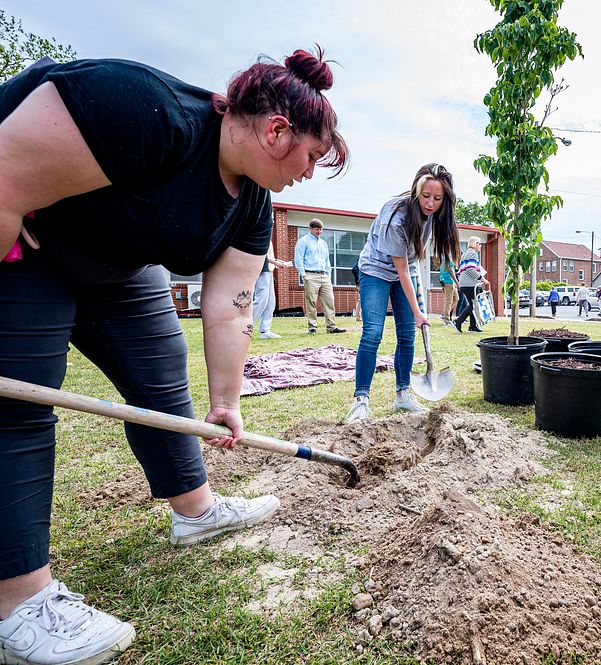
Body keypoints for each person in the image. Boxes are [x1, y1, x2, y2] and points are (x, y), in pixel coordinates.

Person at [0, 48, 348, 665]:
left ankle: (196, 510)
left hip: (117, 266)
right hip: (21, 232)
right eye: (312, 158)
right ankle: (18, 601)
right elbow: (6, 171)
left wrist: (227, 402)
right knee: (19, 402)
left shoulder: (253, 201)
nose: (308, 173)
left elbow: (231, 306)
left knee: (162, 383)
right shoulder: (146, 110)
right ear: (276, 131)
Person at [347, 164, 460, 422]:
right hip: (375, 271)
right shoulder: (396, 215)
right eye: (426, 196)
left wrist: (416, 312)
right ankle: (361, 399)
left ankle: (403, 395)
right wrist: (419, 311)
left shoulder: (432, 217)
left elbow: (413, 261)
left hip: (403, 271)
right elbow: (402, 271)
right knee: (373, 332)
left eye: (437, 198)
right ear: (416, 191)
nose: (431, 203)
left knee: (407, 334)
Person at [294, 219, 346, 334]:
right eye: (317, 229)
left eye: (321, 229)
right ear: (311, 229)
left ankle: (331, 327)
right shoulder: (303, 241)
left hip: (324, 276)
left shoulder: (323, 243)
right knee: (311, 302)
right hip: (310, 275)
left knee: (329, 302)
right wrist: (303, 275)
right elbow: (298, 259)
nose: (319, 232)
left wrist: (329, 275)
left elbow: (327, 261)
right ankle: (312, 327)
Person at [252, 240, 294, 339]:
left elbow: (267, 255)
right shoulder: (260, 231)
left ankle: (265, 330)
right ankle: (246, 327)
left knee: (271, 302)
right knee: (261, 300)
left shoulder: (268, 235)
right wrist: (275, 262)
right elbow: (260, 254)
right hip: (262, 270)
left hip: (269, 270)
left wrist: (277, 261)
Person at [452, 236, 485, 333]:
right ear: (475, 244)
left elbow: (462, 270)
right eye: (479, 244)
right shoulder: (473, 254)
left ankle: (472, 326)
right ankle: (458, 321)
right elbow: (470, 269)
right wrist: (481, 278)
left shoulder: (465, 254)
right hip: (471, 284)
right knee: (474, 305)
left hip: (464, 284)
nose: (481, 246)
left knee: (473, 304)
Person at [439, 258, 460, 323]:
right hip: (449, 281)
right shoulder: (449, 258)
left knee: (456, 298)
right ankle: (446, 320)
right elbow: (450, 271)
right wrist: (457, 282)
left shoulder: (444, 259)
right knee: (448, 301)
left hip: (448, 281)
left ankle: (444, 314)